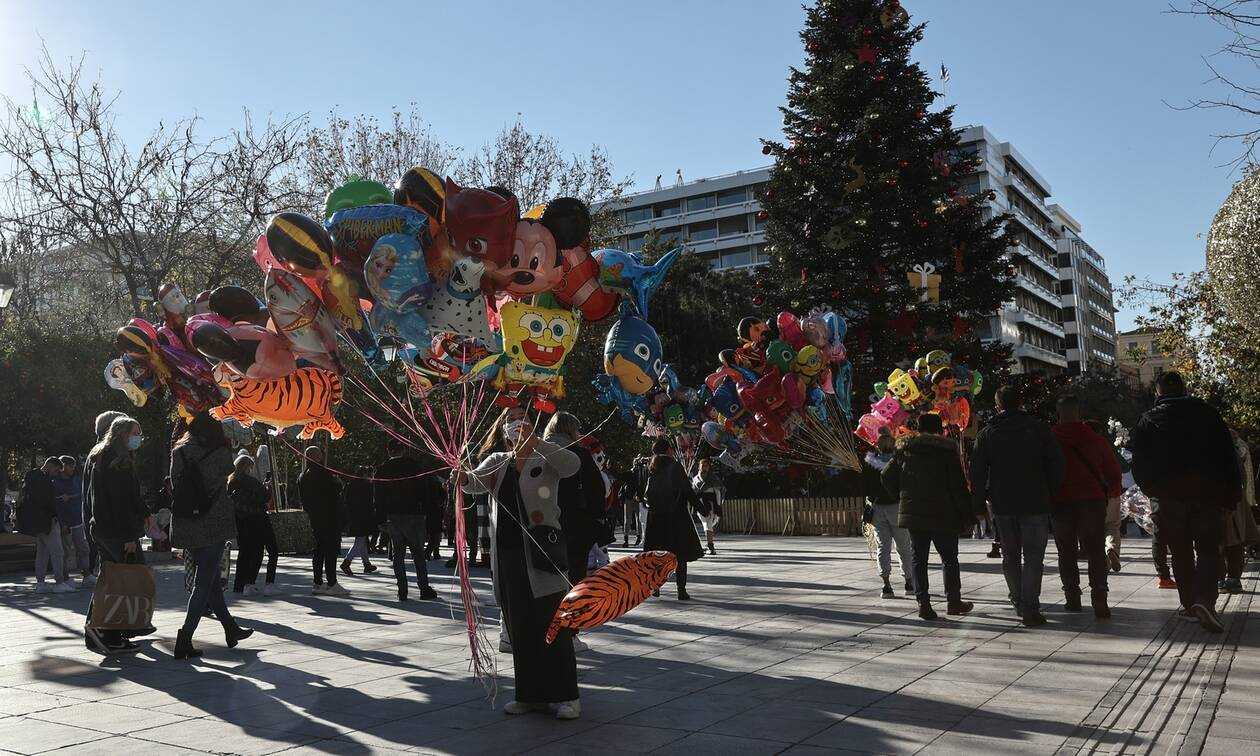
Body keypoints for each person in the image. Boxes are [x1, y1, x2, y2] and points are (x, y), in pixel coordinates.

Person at [460, 410, 582, 719]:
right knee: (521, 626)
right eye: (510, 419)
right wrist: (459, 471)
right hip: (509, 556)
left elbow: (572, 465)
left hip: (542, 553)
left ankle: (567, 696)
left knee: (553, 624)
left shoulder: (546, 455)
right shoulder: (498, 461)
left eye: (522, 418)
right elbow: (472, 483)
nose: (517, 424)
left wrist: (536, 442)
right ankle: (529, 695)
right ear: (503, 429)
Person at [1131, 372, 1241, 633]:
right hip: (1207, 495)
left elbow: (1139, 464)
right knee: (1208, 550)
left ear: (1158, 392)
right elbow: (1228, 456)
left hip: (1169, 499)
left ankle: (1190, 604)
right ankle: (1205, 601)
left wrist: (1154, 492)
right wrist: (1231, 496)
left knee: (1180, 552)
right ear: (1185, 389)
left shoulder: (1149, 420)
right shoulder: (1208, 414)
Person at [971, 385, 1064, 627]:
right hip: (1035, 501)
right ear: (1021, 402)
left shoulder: (988, 433)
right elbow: (1056, 464)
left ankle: (1018, 601)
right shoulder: (1038, 429)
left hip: (1003, 504)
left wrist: (979, 502)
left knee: (1010, 555)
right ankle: (1030, 606)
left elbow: (977, 472)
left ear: (997, 406)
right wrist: (1052, 493)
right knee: (1034, 556)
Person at [169, 412, 253, 659]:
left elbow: (175, 483)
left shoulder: (179, 451)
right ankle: (185, 637)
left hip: (188, 521)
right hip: (213, 521)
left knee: (212, 579)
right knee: (204, 582)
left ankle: (230, 628)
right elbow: (227, 478)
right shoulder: (220, 452)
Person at [881, 414, 976, 620]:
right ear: (939, 430)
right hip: (944, 513)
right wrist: (967, 514)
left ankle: (923, 603)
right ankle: (953, 601)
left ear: (918, 429)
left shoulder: (905, 450)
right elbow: (958, 486)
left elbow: (886, 476)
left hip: (915, 513)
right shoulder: (946, 451)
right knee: (949, 559)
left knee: (919, 559)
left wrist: (902, 496)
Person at [1051, 396, 1123, 619]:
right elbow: (1114, 472)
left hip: (1061, 502)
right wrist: (1110, 493)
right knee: (1095, 550)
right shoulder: (1095, 439)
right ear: (1078, 413)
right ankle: (1099, 596)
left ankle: (1072, 597)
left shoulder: (1050, 440)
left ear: (1059, 414)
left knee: (1066, 551)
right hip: (1092, 501)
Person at [84, 416, 148, 654]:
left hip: (103, 528)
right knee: (122, 582)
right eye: (135, 433)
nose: (138, 438)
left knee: (110, 579)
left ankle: (99, 631)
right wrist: (129, 536)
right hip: (117, 531)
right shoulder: (118, 461)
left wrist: (144, 512)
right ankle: (108, 632)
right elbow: (120, 502)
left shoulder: (102, 455)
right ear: (122, 434)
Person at [374, 441, 441, 601]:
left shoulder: (383, 469)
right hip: (414, 514)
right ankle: (423, 588)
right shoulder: (414, 466)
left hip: (393, 515)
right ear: (403, 450)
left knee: (398, 554)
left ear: (389, 451)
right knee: (418, 553)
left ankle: (402, 590)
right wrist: (425, 511)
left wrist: (380, 518)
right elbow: (424, 490)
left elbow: (378, 495)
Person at [544, 413, 605, 586]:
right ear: (570, 430)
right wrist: (597, 518)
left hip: (543, 521)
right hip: (576, 522)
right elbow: (596, 489)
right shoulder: (579, 454)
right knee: (575, 574)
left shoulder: (539, 452)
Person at [642, 438, 705, 601]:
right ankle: (681, 590)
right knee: (680, 555)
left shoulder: (652, 467)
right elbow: (687, 490)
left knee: (657, 555)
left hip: (656, 518)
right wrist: (701, 508)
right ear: (669, 450)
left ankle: (655, 587)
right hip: (676, 517)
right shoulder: (675, 466)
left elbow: (646, 494)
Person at [862, 432, 913, 597]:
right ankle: (909, 582)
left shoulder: (869, 464)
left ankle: (886, 585)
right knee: (903, 546)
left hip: (877, 508)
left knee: (883, 547)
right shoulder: (899, 462)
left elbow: (865, 487)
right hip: (897, 506)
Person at [298, 446, 349, 597]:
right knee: (330, 550)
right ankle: (332, 582)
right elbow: (335, 490)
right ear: (316, 457)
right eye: (320, 454)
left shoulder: (303, 475)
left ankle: (318, 582)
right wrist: (337, 481)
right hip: (329, 516)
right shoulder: (323, 473)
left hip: (315, 517)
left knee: (319, 550)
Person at [17, 458, 73, 593]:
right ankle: (59, 582)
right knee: (57, 552)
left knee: (42, 553)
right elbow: (48, 502)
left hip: (35, 522)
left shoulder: (30, 477)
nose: (56, 474)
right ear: (50, 466)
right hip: (48, 521)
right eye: (56, 470)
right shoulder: (45, 481)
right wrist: (55, 516)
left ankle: (40, 583)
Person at [1221, 431, 1260, 595]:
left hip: (1224, 503)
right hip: (1234, 501)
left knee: (1224, 543)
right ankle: (1232, 579)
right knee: (1233, 542)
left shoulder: (1225, 452)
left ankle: (1225, 579)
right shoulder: (1235, 452)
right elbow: (1242, 477)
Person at [227, 452, 271, 596]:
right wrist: (267, 488)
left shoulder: (231, 481)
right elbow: (264, 497)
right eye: (250, 467)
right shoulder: (251, 482)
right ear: (247, 467)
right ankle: (250, 583)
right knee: (257, 551)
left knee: (243, 553)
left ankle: (238, 585)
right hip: (254, 519)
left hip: (239, 520)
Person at [53, 455, 92, 587]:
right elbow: (55, 504)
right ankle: (65, 578)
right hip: (64, 523)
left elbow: (82, 495)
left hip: (77, 521)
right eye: (71, 466)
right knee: (65, 551)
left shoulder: (76, 480)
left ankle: (86, 574)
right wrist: (62, 523)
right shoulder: (55, 481)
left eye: (74, 466)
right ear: (63, 466)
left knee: (83, 549)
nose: (73, 469)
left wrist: (71, 497)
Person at [341, 467, 379, 576]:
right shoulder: (367, 486)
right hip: (363, 516)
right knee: (360, 541)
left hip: (354, 516)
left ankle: (366, 564)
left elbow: (346, 500)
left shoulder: (350, 485)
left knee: (361, 540)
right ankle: (346, 562)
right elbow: (371, 502)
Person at [692, 458, 725, 556]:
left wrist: (718, 506)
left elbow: (718, 492)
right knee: (706, 524)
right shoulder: (695, 478)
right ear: (699, 467)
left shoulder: (713, 478)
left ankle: (710, 545)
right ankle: (710, 545)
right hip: (700, 503)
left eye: (706, 466)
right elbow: (694, 492)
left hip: (711, 504)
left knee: (708, 524)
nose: (704, 467)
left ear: (709, 467)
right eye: (702, 466)